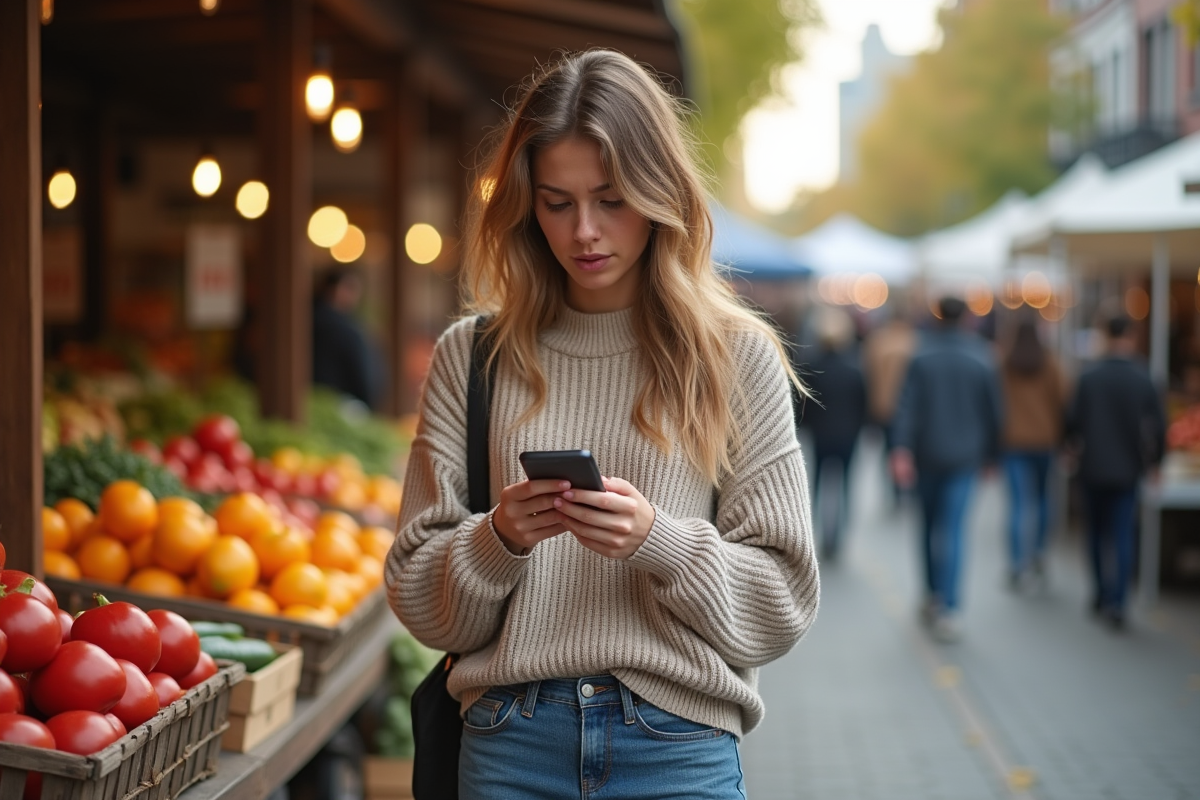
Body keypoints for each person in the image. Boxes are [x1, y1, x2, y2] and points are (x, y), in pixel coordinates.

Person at [384, 50, 820, 799]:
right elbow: (418, 598)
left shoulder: (734, 356)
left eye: (612, 199)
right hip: (509, 742)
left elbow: (782, 602)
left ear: (661, 194)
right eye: (557, 202)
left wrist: (660, 541)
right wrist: (500, 539)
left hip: (678, 744)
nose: (585, 231)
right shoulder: (472, 356)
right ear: (526, 204)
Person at [890, 296, 1003, 642]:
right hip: (965, 458)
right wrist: (992, 456)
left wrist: (901, 450)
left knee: (927, 526)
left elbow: (907, 407)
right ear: (967, 318)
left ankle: (931, 594)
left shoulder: (922, 355)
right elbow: (994, 412)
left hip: (927, 455)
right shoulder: (982, 356)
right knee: (953, 530)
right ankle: (950, 607)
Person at [1066, 315, 1165, 630]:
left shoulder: (1089, 376)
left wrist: (1070, 448)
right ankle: (1118, 601)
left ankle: (1100, 591)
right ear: (1132, 337)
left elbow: (1072, 422)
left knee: (1096, 533)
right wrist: (1156, 463)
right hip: (1127, 467)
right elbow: (1159, 428)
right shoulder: (1143, 377)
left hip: (1093, 465)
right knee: (1122, 534)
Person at [999, 317, 1067, 590]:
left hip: (1013, 441)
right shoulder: (1050, 363)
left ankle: (1017, 563)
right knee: (1041, 500)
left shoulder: (1004, 363)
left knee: (1017, 504)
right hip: (1044, 440)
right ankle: (1038, 555)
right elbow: (1063, 399)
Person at [798, 306, 867, 561]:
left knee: (816, 485)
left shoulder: (812, 366)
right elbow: (863, 404)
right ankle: (838, 536)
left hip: (821, 434)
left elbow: (803, 406)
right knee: (845, 486)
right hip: (848, 435)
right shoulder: (855, 368)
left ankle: (812, 532)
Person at [861, 309, 918, 507]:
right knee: (907, 448)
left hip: (883, 406)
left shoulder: (878, 341)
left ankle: (894, 489)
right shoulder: (914, 342)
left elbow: (867, 374)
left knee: (888, 450)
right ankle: (905, 488)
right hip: (910, 407)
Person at [311, 266, 384, 410]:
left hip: (316, 403)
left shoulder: (306, 320)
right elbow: (362, 378)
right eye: (350, 288)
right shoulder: (344, 329)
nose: (354, 296)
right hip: (340, 406)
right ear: (334, 289)